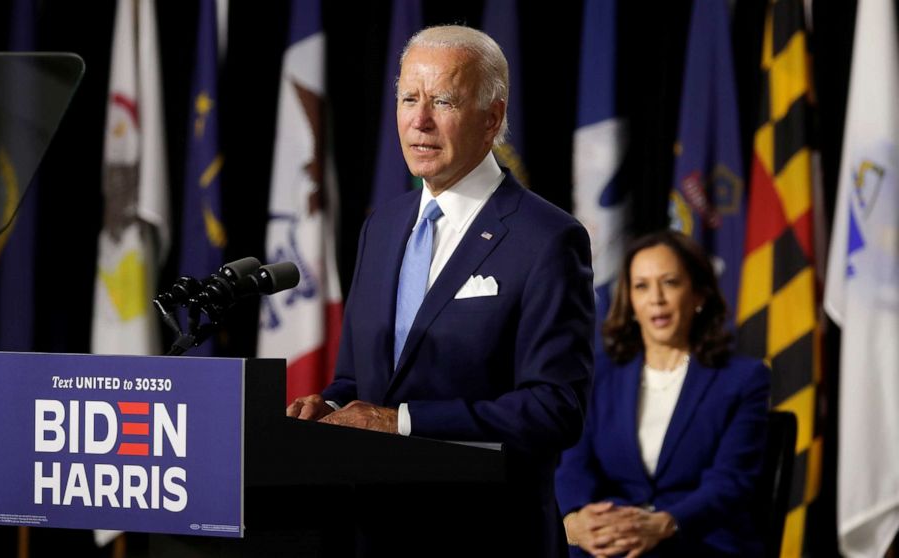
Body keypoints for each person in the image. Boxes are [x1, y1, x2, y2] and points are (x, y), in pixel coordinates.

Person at [286, 25, 594, 557]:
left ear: (492, 117)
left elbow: (553, 408)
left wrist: (400, 421)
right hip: (375, 534)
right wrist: (331, 408)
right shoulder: (382, 225)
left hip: (486, 536)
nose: (419, 121)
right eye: (409, 98)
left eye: (443, 100)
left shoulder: (547, 238)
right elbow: (359, 379)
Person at [555, 230, 770, 557]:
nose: (656, 298)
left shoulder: (743, 379)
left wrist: (665, 523)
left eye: (669, 282)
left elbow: (730, 481)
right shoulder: (598, 376)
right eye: (641, 286)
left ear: (698, 294)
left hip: (701, 539)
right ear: (631, 302)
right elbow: (573, 465)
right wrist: (576, 517)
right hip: (610, 542)